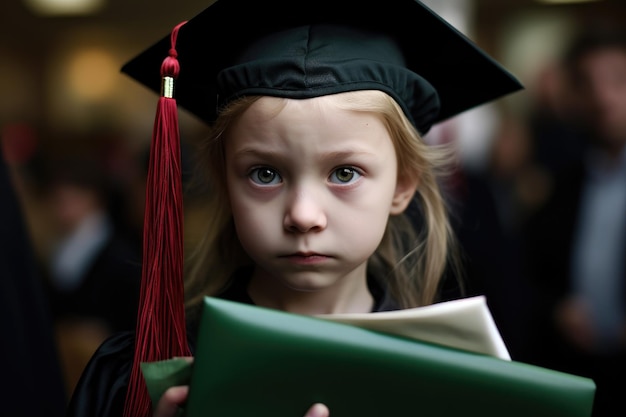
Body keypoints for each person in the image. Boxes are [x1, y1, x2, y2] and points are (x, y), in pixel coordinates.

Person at [65, 0, 522, 416]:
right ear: (225, 182)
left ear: (403, 186)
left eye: (344, 173)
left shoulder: (452, 382)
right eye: (265, 173)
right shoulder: (144, 372)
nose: (303, 215)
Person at [523, 22, 626, 417]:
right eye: (588, 82)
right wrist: (557, 308)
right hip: (577, 370)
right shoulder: (562, 179)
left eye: (617, 80)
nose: (603, 96)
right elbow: (532, 269)